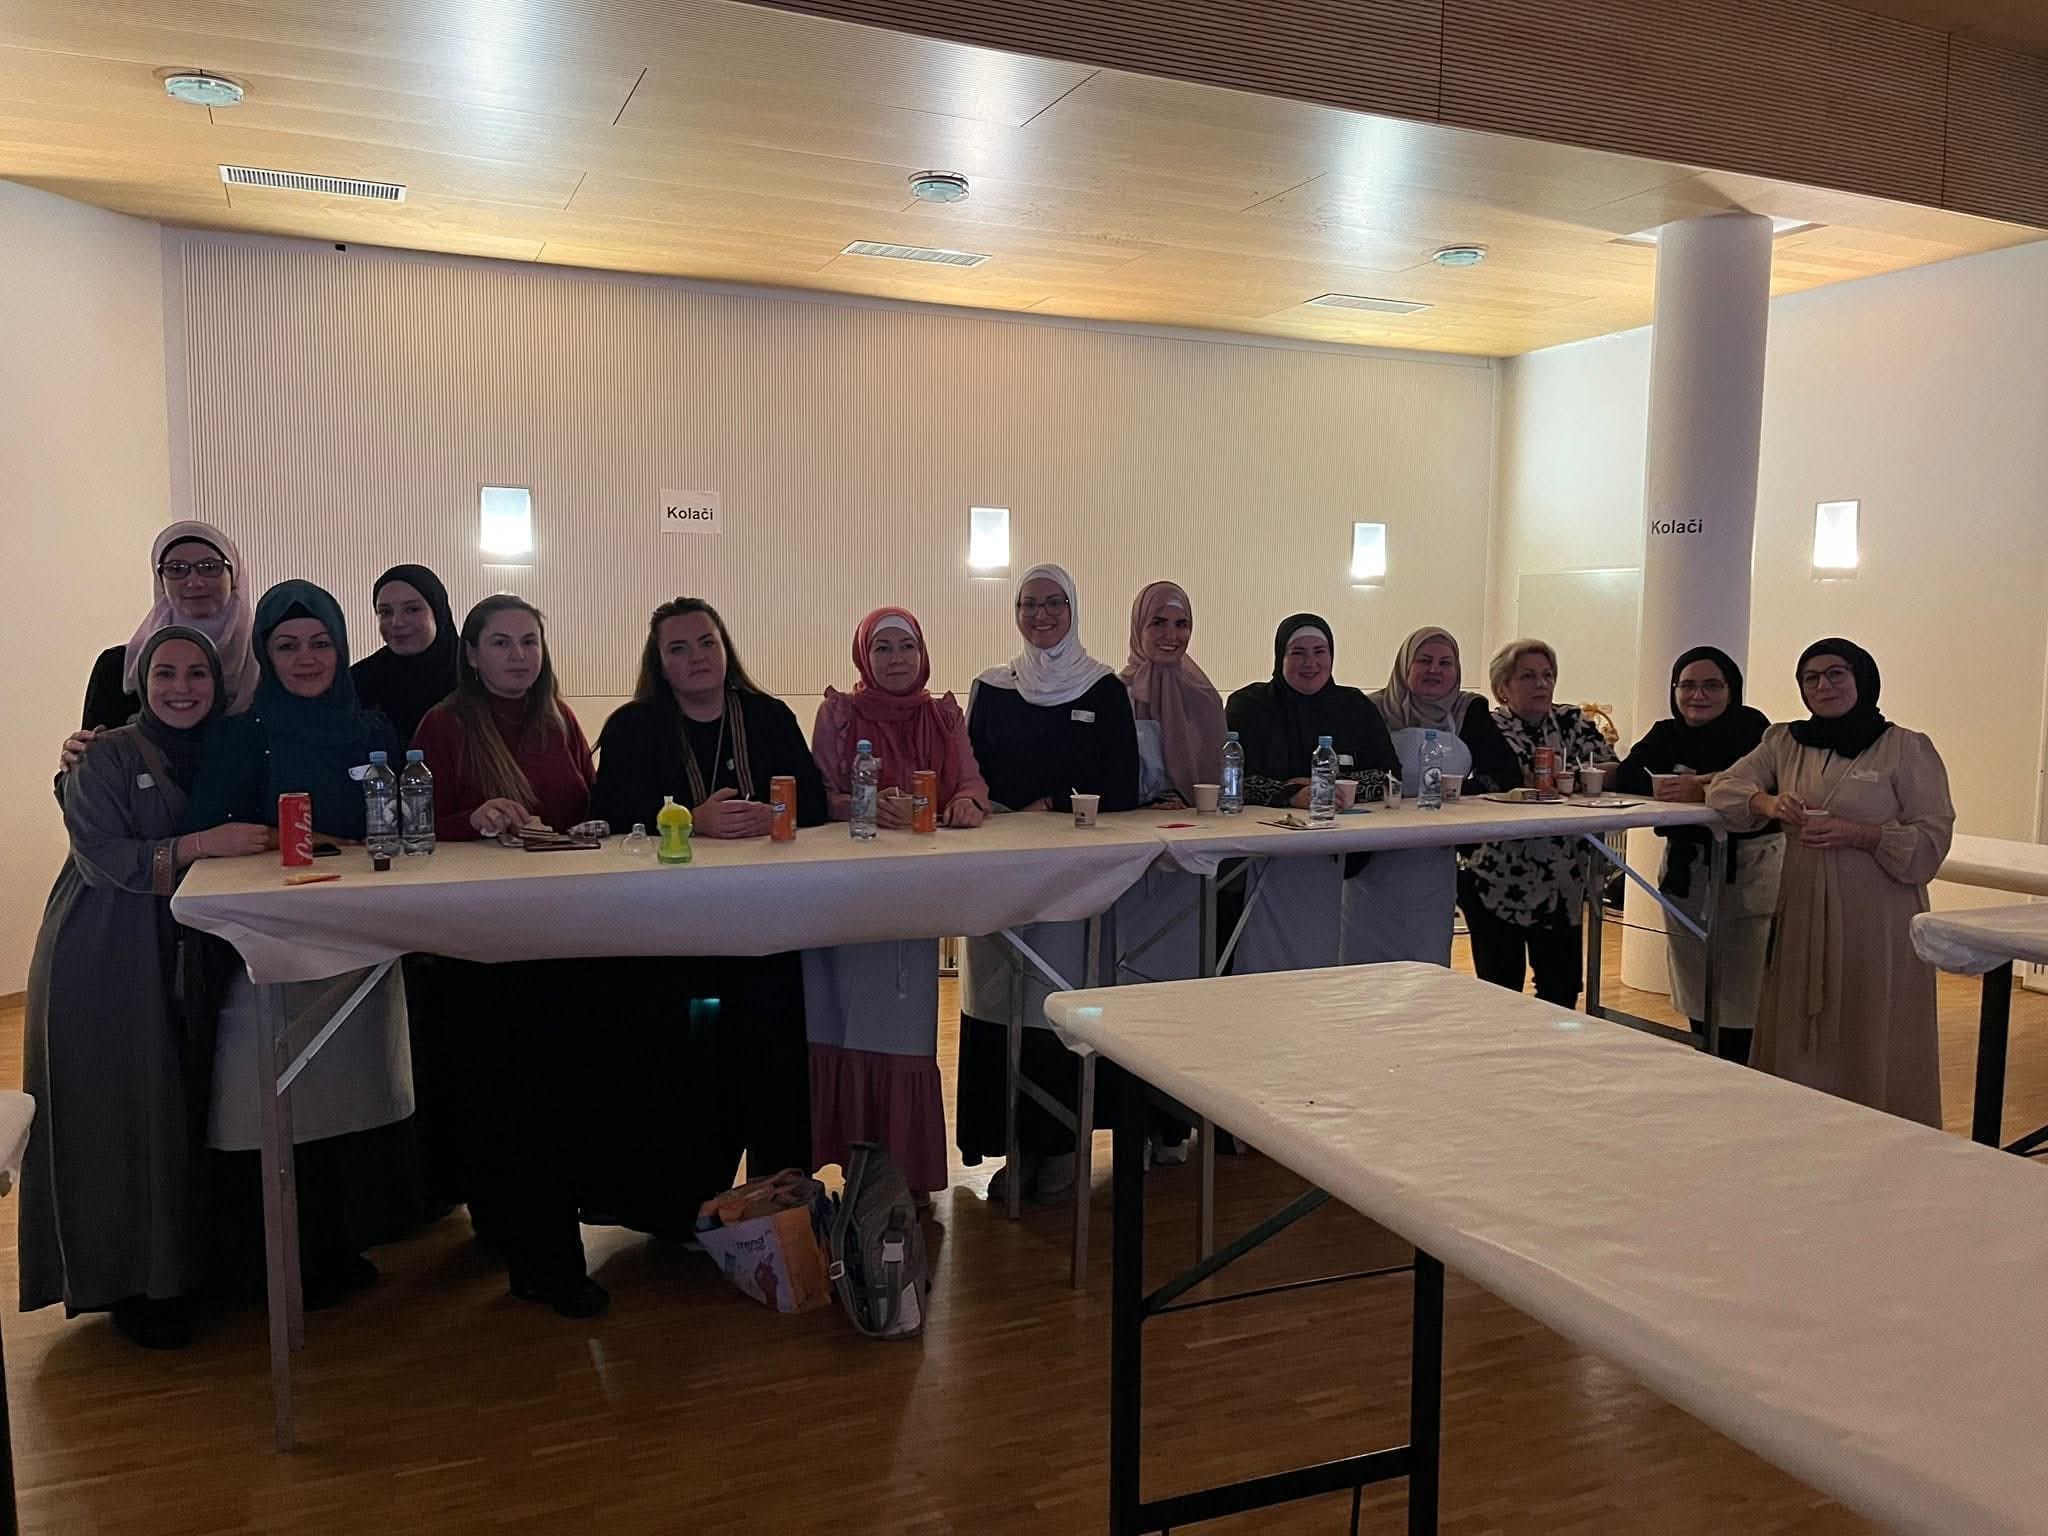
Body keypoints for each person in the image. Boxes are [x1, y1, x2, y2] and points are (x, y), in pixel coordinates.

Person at [19, 628, 270, 1348]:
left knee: (180, 1114)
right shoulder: (106, 755)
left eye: (197, 673)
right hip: (104, 951)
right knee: (119, 1119)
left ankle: (185, 1273)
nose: (181, 688)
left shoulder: (229, 751)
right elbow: (103, 859)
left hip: (186, 951)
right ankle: (129, 1284)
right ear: (141, 682)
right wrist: (200, 847)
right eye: (165, 673)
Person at [182, 580, 415, 1306]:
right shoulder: (241, 733)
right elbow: (210, 833)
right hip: (271, 945)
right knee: (273, 1105)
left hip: (361, 940)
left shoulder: (373, 730)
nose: (306, 658)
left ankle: (341, 1243)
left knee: (353, 1096)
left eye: (320, 644)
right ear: (265, 655)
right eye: (287, 646)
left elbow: (398, 824)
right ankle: (277, 1260)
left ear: (342, 649)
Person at [587, 598, 826, 1232]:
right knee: (687, 1074)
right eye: (679, 648)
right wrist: (691, 820)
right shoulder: (634, 726)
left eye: (706, 643)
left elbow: (815, 801)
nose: (696, 657)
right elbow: (607, 815)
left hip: (766, 927)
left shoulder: (768, 716)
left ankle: (780, 1213)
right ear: (659, 663)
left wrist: (771, 816)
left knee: (773, 1067)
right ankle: (683, 1217)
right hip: (674, 939)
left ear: (726, 649)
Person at [409, 596, 606, 1316]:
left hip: (561, 931)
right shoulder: (444, 725)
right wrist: (474, 819)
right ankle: (540, 1258)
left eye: (529, 641)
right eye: (501, 642)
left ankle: (535, 1243)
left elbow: (582, 802)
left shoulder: (559, 719)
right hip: (480, 941)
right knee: (506, 1097)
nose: (519, 655)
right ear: (471, 653)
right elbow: (414, 828)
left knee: (555, 1095)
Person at [1708, 640, 1954, 1124]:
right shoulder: (1785, 742)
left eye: (1836, 673)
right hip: (1802, 906)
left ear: (1861, 678)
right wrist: (1768, 803)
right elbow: (1724, 788)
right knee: (1799, 1015)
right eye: (1811, 677)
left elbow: (1933, 835)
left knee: (1873, 1014)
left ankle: (1878, 1126)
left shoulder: (1906, 748)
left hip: (1878, 917)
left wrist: (1861, 835)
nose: (1824, 685)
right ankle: (1800, 1126)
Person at [956, 564, 1139, 1202]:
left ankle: (1062, 1145)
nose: (1041, 615)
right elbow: (969, 771)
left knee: (1057, 1008)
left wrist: (1050, 806)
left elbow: (1121, 785)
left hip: (1069, 878)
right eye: (1029, 604)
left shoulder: (1102, 688)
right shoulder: (992, 687)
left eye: (1053, 603)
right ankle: (1013, 1144)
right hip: (999, 871)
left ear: (1074, 608)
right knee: (997, 1005)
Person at [805, 608, 988, 1198]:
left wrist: (966, 804)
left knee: (903, 1030)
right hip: (845, 894)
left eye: (906, 646)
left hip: (914, 895)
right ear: (864, 656)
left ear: (922, 653)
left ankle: (901, 1170)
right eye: (881, 648)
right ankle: (843, 1159)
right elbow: (817, 794)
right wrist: (862, 805)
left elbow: (971, 781)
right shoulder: (839, 714)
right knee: (839, 1021)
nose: (895, 659)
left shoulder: (943, 715)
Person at [1615, 647, 1780, 1061]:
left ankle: (1741, 1071)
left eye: (1711, 685)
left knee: (1743, 990)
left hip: (1747, 871)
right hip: (1686, 874)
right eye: (1687, 685)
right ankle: (1707, 1061)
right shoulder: (1666, 732)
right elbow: (1631, 774)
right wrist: (1683, 785)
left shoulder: (1752, 729)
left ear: (1731, 690)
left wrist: (1702, 786)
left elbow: (1758, 784)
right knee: (1695, 983)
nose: (1698, 695)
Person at [1224, 614, 1400, 973]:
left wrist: (1337, 788)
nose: (1311, 662)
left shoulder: (1354, 706)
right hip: (1263, 861)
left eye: (1320, 651)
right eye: (1298, 652)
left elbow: (1390, 776)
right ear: (1280, 656)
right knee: (1265, 961)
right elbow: (1233, 780)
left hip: (1335, 862)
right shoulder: (1250, 705)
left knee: (1320, 958)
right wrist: (1291, 793)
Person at [1348, 626, 1519, 966]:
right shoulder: (1370, 709)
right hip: (1373, 859)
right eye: (1424, 661)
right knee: (1363, 963)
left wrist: (1456, 793)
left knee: (1426, 961)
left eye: (1445, 663)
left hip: (1435, 860)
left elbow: (1504, 775)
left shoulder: (1469, 710)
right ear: (1405, 666)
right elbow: (1352, 772)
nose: (1434, 670)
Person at [1460, 639, 1616, 1008]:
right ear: (1503, 687)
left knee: (1561, 991)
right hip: (1496, 875)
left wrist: (1572, 776)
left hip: (1561, 878)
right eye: (1528, 676)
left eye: (1547, 675)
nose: (1541, 684)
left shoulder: (1571, 720)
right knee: (1500, 991)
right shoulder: (1486, 725)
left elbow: (1611, 766)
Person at [59, 520, 259, 772]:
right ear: (160, 580)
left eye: (210, 567)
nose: (194, 582)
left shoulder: (266, 664)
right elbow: (92, 769)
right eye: (176, 569)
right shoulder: (119, 667)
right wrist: (73, 763)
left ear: (234, 576)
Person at [1121, 581, 1225, 807]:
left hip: (1198, 819)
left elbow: (1218, 778)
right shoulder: (1116, 695)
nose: (1171, 635)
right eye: (1158, 623)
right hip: (1129, 820)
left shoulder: (1205, 698)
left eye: (1181, 624)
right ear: (1138, 627)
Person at [350, 564, 459, 745]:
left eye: (412, 609)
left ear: (437, 612)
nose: (397, 622)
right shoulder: (359, 681)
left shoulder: (476, 674)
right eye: (386, 612)